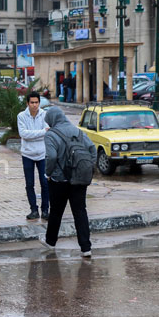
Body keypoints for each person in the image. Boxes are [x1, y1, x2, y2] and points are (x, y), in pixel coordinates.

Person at [40, 107, 97, 257]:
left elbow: (51, 156)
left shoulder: (51, 135)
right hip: (79, 179)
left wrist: (48, 173)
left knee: (56, 212)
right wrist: (88, 167)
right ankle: (86, 248)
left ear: (52, 119)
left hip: (59, 180)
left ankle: (50, 242)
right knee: (80, 212)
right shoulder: (78, 131)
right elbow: (92, 149)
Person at [17, 91, 49, 220]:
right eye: (32, 102)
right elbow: (23, 134)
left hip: (42, 154)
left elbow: (48, 133)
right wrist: (41, 132)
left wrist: (34, 134)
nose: (34, 105)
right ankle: (33, 210)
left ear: (39, 103)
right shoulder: (21, 116)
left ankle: (45, 210)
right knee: (29, 183)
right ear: (27, 103)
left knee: (45, 183)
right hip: (27, 154)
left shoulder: (45, 115)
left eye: (36, 102)